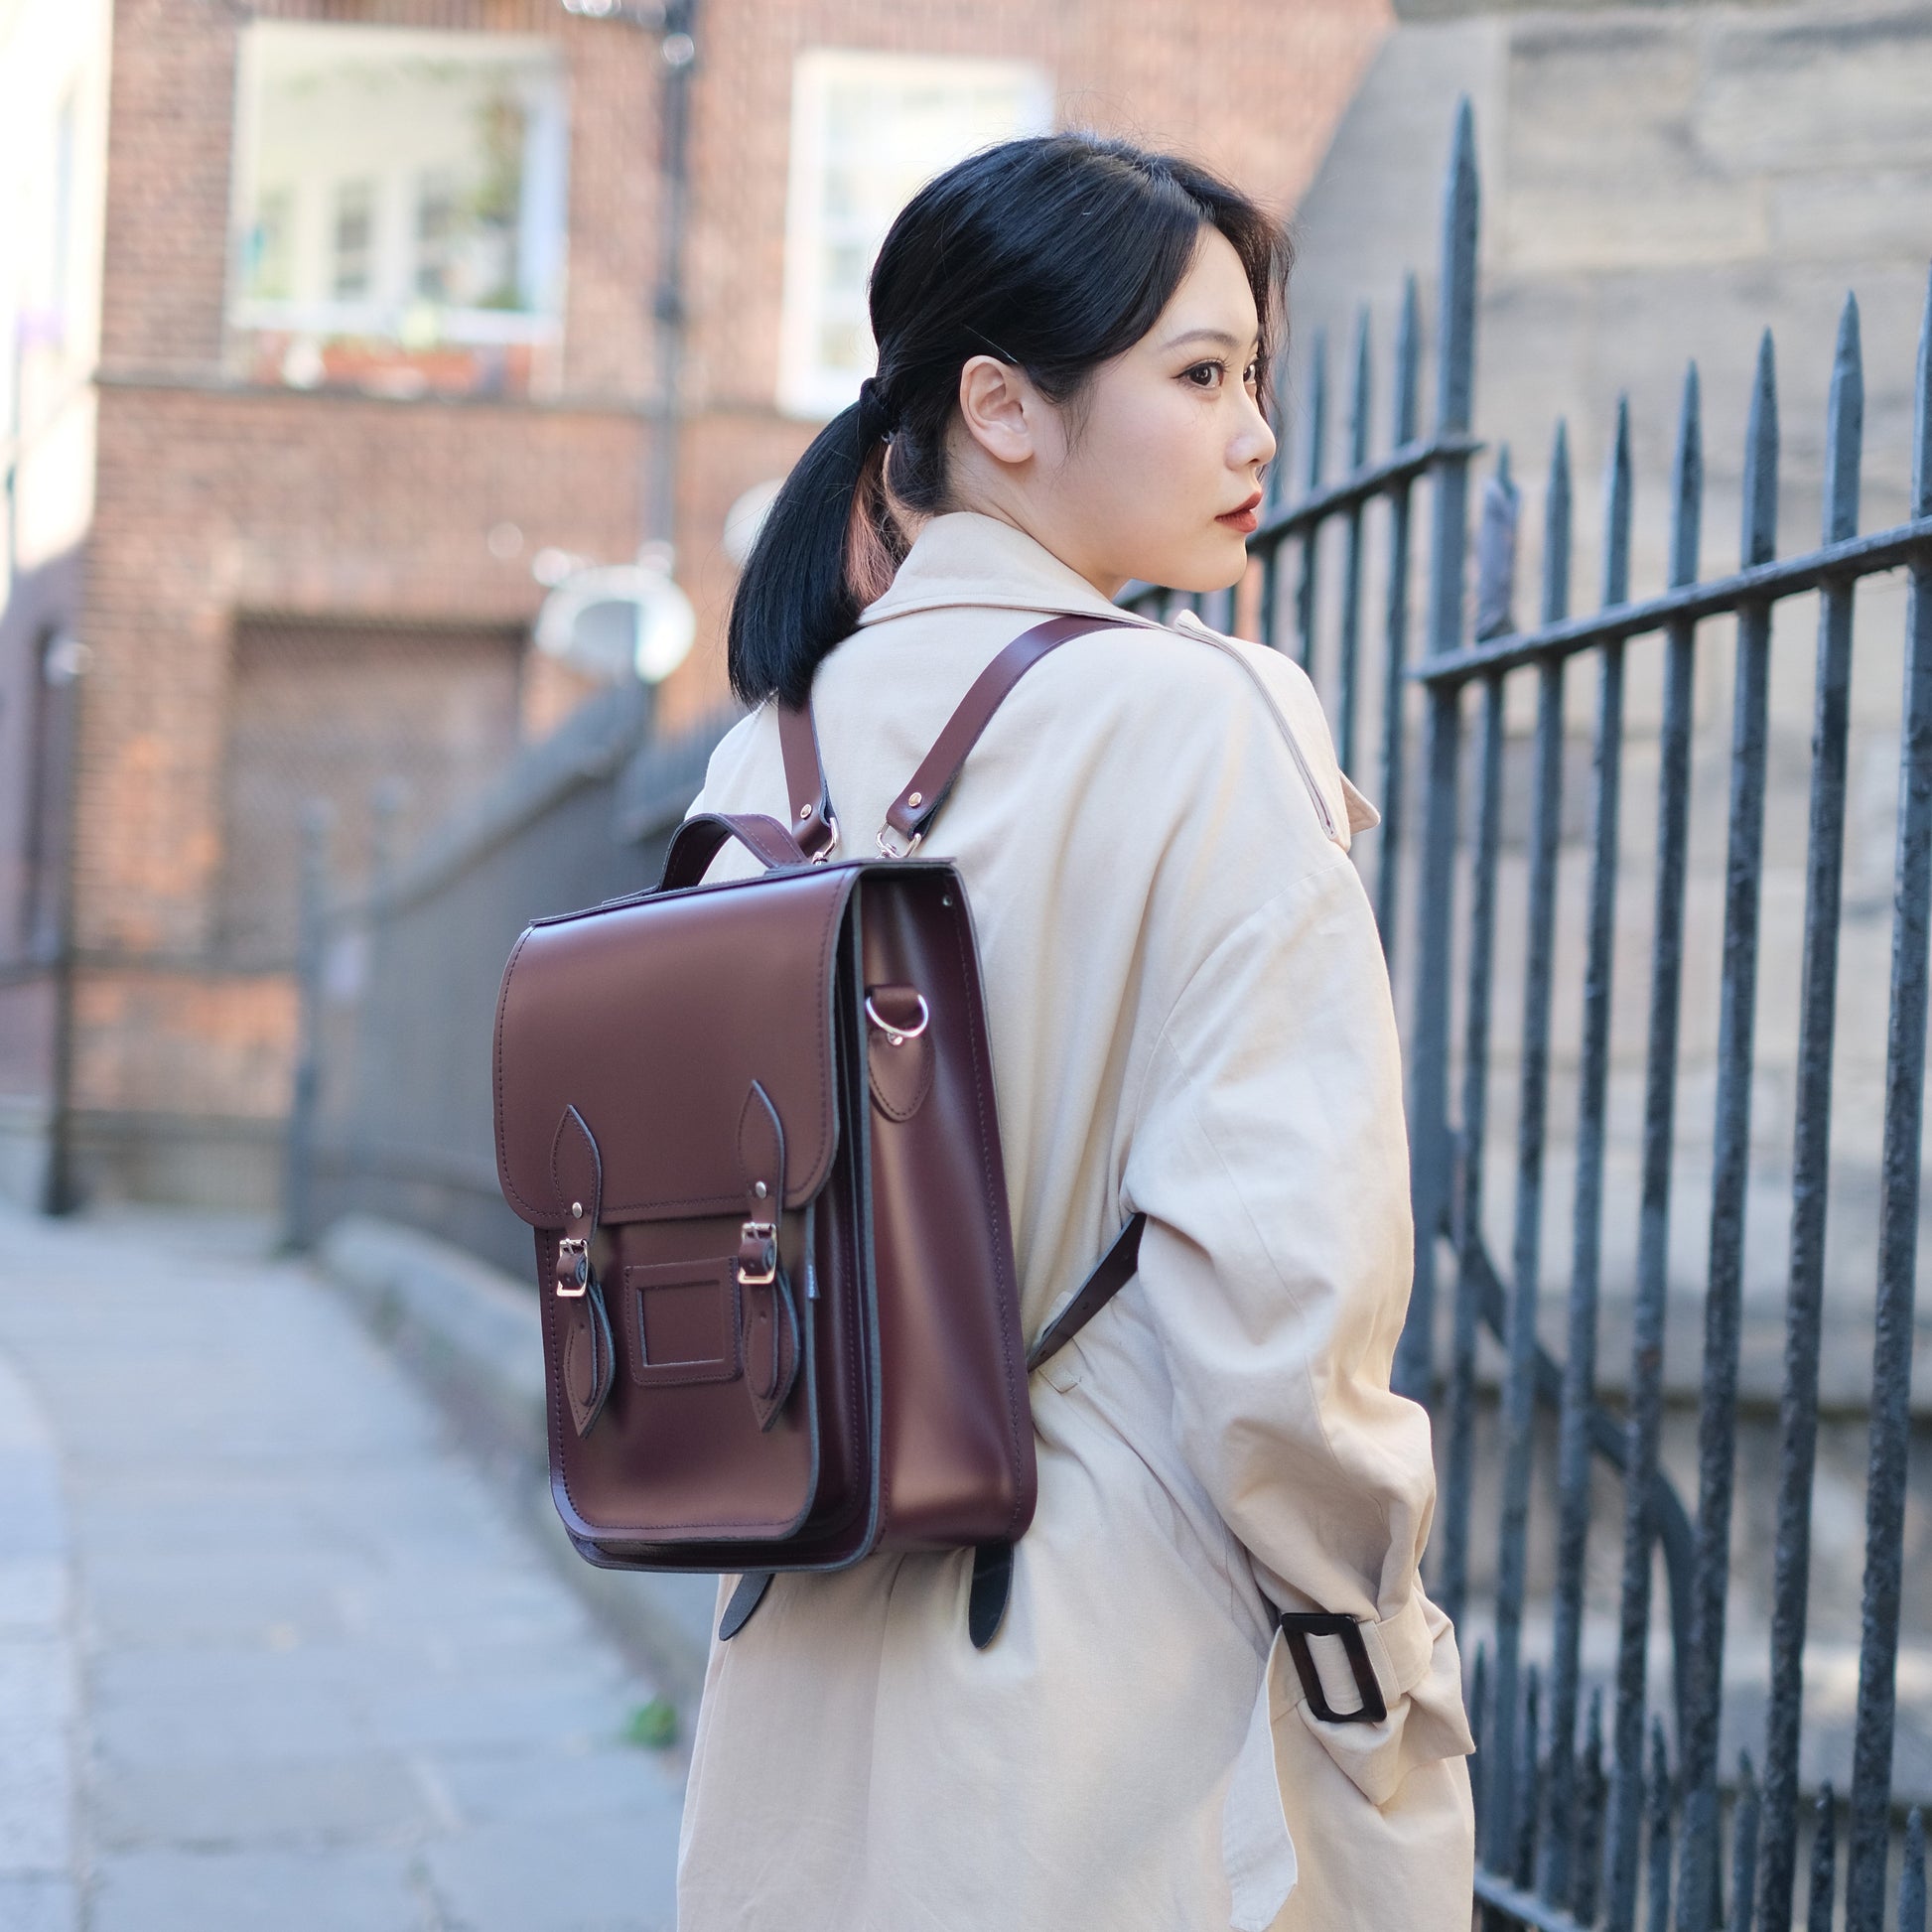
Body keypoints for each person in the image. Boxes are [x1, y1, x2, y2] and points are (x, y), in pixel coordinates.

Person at [673, 130, 1474, 1932]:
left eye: (1252, 378)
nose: (1255, 432)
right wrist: (1380, 1646)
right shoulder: (1209, 718)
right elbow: (1282, 1299)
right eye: (1200, 375)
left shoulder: (766, 756)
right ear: (1003, 408)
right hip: (1112, 1689)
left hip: (801, 1639)